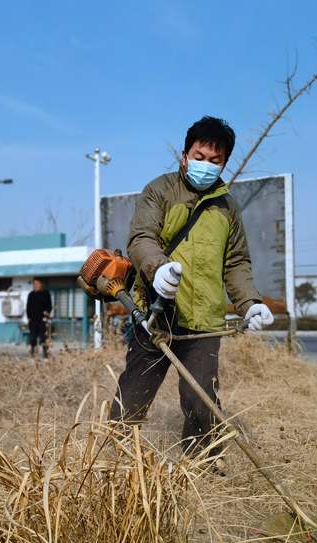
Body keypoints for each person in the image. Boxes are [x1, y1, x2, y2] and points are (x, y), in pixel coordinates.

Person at [112, 116, 274, 458]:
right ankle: (112, 459)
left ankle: (203, 468)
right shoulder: (160, 190)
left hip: (204, 322)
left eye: (215, 161)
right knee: (133, 394)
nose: (206, 165)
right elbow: (141, 237)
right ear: (184, 155)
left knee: (202, 402)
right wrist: (157, 269)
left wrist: (250, 303)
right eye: (199, 157)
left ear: (224, 164)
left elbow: (236, 261)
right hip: (156, 313)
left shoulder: (227, 207)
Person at [26, 278, 52, 358]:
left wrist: (47, 312)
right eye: (34, 284)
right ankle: (32, 352)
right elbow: (28, 307)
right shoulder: (31, 295)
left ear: (41, 284)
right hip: (33, 320)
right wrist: (29, 317)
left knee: (43, 337)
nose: (35, 285)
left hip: (42, 319)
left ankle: (45, 354)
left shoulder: (46, 294)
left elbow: (49, 305)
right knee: (32, 337)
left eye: (37, 284)